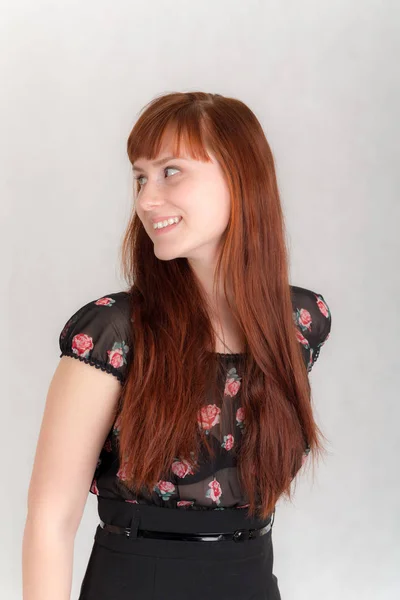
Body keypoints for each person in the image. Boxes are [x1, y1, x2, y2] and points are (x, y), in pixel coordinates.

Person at [22, 91, 332, 600]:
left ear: (240, 177)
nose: (145, 198)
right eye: (140, 177)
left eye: (171, 171)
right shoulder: (112, 332)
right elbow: (50, 521)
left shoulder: (300, 322)